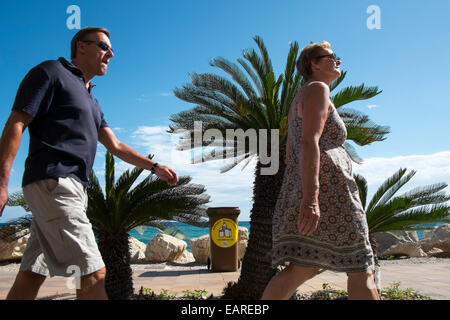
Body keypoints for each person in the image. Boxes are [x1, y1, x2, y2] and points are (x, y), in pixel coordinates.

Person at [0, 27, 179, 300]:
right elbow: (17, 122)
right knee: (93, 273)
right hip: (55, 182)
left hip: (71, 190)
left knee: (31, 274)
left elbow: (115, 145)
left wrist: (154, 167)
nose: (111, 53)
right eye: (104, 46)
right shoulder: (51, 72)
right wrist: (2, 183)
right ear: (81, 47)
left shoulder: (92, 102)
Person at [262, 41, 379, 300]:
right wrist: (311, 198)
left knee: (303, 267)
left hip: (312, 189)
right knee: (362, 267)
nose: (338, 60)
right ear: (314, 64)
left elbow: (291, 152)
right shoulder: (317, 89)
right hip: (331, 195)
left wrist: (300, 193)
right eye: (331, 56)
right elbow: (308, 142)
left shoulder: (302, 95)